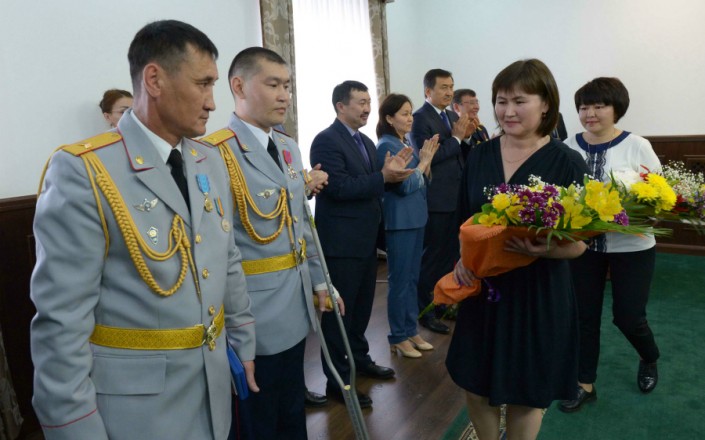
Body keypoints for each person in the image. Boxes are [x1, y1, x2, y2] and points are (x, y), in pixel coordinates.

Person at [30, 20, 255, 440]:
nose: (212, 102)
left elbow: (226, 258)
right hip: (139, 413)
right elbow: (62, 325)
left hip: (212, 392)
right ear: (154, 80)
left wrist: (243, 340)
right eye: (203, 84)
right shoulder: (85, 171)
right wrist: (75, 429)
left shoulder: (208, 159)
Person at [446, 59, 589, 440]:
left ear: (546, 104)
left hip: (538, 294)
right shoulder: (480, 155)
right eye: (501, 101)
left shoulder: (567, 162)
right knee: (475, 384)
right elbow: (463, 221)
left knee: (528, 392)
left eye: (520, 101)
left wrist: (544, 250)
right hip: (484, 291)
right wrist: (462, 260)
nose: (508, 111)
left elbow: (580, 245)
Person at [201, 47, 339, 439]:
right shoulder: (215, 153)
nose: (284, 96)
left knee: (291, 410)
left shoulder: (287, 146)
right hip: (253, 312)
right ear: (239, 86)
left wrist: (319, 279)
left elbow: (301, 222)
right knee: (258, 419)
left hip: (295, 302)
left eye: (288, 86)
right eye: (273, 85)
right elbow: (216, 249)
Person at [559, 77, 661, 413]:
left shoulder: (637, 146)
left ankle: (649, 357)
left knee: (629, 317)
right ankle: (585, 383)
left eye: (599, 106)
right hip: (582, 248)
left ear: (617, 108)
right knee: (583, 316)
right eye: (583, 107)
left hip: (632, 247)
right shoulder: (567, 146)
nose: (590, 113)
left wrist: (637, 211)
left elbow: (659, 195)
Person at [310, 80, 413, 408]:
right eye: (361, 102)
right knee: (339, 317)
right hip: (341, 243)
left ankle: (360, 360)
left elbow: (372, 186)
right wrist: (383, 177)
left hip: (366, 241)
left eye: (369, 102)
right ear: (341, 106)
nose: (368, 108)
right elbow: (339, 188)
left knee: (361, 310)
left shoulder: (366, 141)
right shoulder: (326, 140)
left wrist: (394, 177)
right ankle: (339, 381)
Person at [376, 94, 439, 358]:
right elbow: (403, 186)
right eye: (404, 113)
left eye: (411, 112)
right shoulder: (386, 145)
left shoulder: (403, 142)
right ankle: (398, 335)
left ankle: (410, 329)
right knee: (400, 280)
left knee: (412, 278)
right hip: (400, 221)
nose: (410, 118)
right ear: (389, 118)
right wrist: (423, 162)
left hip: (415, 218)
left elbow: (423, 182)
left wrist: (426, 161)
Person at [411, 69, 470, 335]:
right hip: (436, 199)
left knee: (450, 256)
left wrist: (464, 138)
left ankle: (444, 302)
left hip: (454, 196)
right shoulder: (420, 119)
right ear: (428, 91)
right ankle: (426, 311)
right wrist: (456, 138)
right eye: (444, 87)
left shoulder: (450, 116)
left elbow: (458, 154)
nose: (449, 92)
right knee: (433, 258)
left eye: (451, 87)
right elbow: (429, 157)